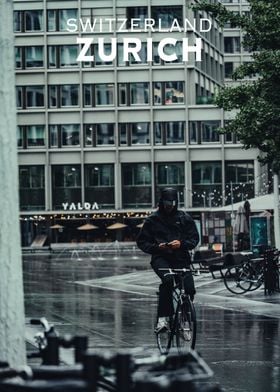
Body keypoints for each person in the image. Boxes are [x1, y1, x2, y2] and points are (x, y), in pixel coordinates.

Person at [136, 187, 199, 332]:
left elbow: (194, 239)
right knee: (168, 281)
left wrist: (181, 244)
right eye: (166, 203)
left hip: (181, 257)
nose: (169, 206)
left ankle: (184, 314)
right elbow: (142, 242)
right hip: (161, 258)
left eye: (172, 203)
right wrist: (158, 247)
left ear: (176, 202)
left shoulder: (184, 218)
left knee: (189, 288)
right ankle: (163, 319)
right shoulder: (152, 220)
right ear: (161, 202)